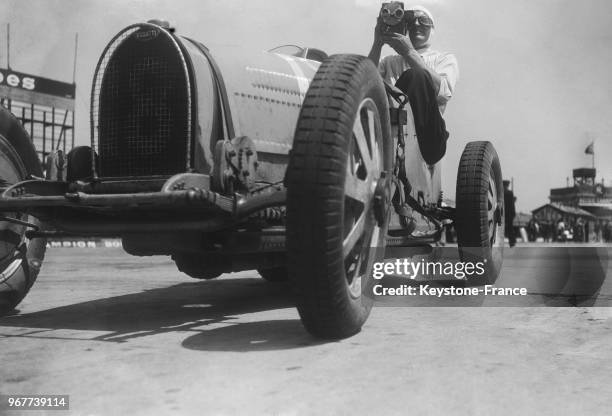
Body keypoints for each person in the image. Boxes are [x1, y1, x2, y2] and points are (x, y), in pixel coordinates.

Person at [368, 5, 459, 165]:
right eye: (411, 20)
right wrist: (377, 43)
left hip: (429, 139)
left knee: (417, 75)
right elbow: (365, 83)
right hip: (389, 131)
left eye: (424, 20)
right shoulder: (389, 61)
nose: (417, 24)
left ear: (432, 27)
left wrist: (409, 52)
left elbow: (444, 92)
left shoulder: (444, 59)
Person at [503, 180, 516, 247]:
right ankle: (512, 242)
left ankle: (510, 241)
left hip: (503, 214)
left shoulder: (501, 193)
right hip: (509, 214)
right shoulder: (510, 193)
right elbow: (512, 205)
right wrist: (513, 213)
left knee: (502, 228)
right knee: (510, 228)